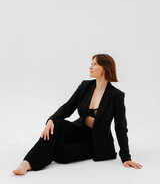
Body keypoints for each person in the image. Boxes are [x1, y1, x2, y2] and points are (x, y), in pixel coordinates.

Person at [12, 53, 142, 175]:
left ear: (105, 68)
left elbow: (120, 127)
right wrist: (51, 120)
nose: (90, 66)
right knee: (57, 125)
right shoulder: (85, 86)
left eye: (95, 64)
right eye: (91, 63)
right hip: (80, 130)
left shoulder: (116, 95)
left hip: (96, 141)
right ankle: (27, 163)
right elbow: (68, 108)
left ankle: (42, 154)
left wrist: (126, 157)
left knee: (62, 156)